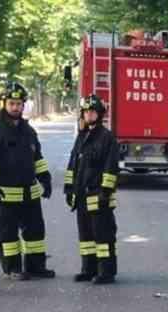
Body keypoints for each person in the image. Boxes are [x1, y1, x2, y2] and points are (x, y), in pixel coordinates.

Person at [0, 82, 55, 280]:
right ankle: (12, 268)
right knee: (8, 235)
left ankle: (35, 266)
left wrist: (45, 179)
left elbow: (37, 158)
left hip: (29, 194)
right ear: (4, 104)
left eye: (19, 104)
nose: (16, 107)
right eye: (12, 103)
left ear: (24, 105)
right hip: (5, 194)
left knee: (35, 232)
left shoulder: (28, 131)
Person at [64, 94, 119, 284]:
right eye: (86, 112)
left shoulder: (107, 138)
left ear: (100, 114)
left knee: (103, 236)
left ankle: (106, 272)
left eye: (92, 112)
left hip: (98, 196)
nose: (89, 115)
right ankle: (88, 269)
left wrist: (106, 191)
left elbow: (111, 167)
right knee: (86, 237)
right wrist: (69, 189)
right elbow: (73, 164)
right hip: (81, 197)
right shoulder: (81, 137)